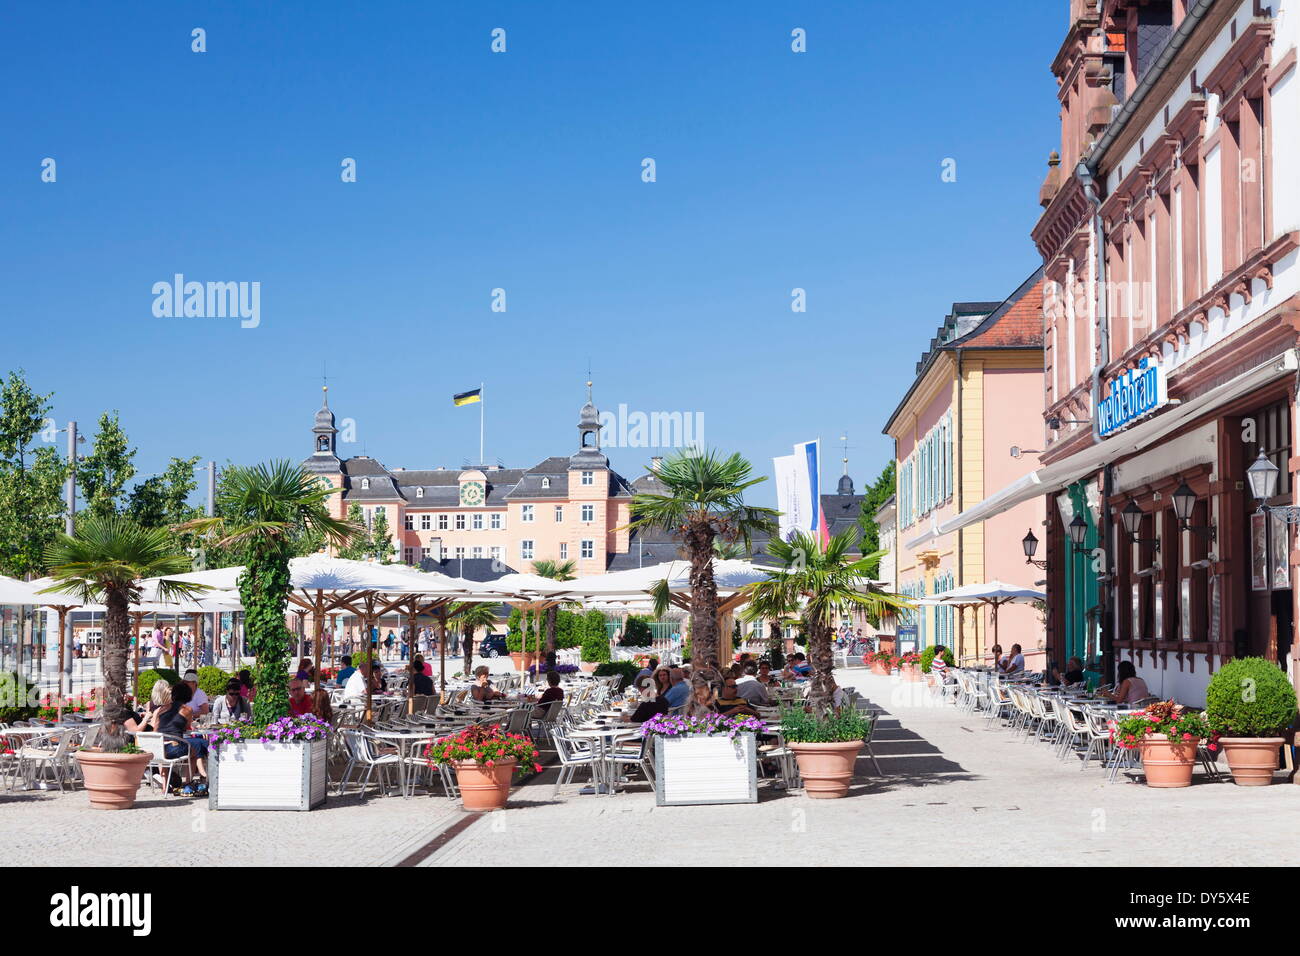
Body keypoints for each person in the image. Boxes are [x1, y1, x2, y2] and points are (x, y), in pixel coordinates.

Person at [156, 682, 209, 796]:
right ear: (188, 696)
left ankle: (165, 787)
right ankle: (187, 782)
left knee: (191, 745)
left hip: (158, 748)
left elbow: (156, 729)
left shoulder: (162, 709)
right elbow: (187, 727)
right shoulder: (187, 709)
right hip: (174, 747)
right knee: (196, 748)